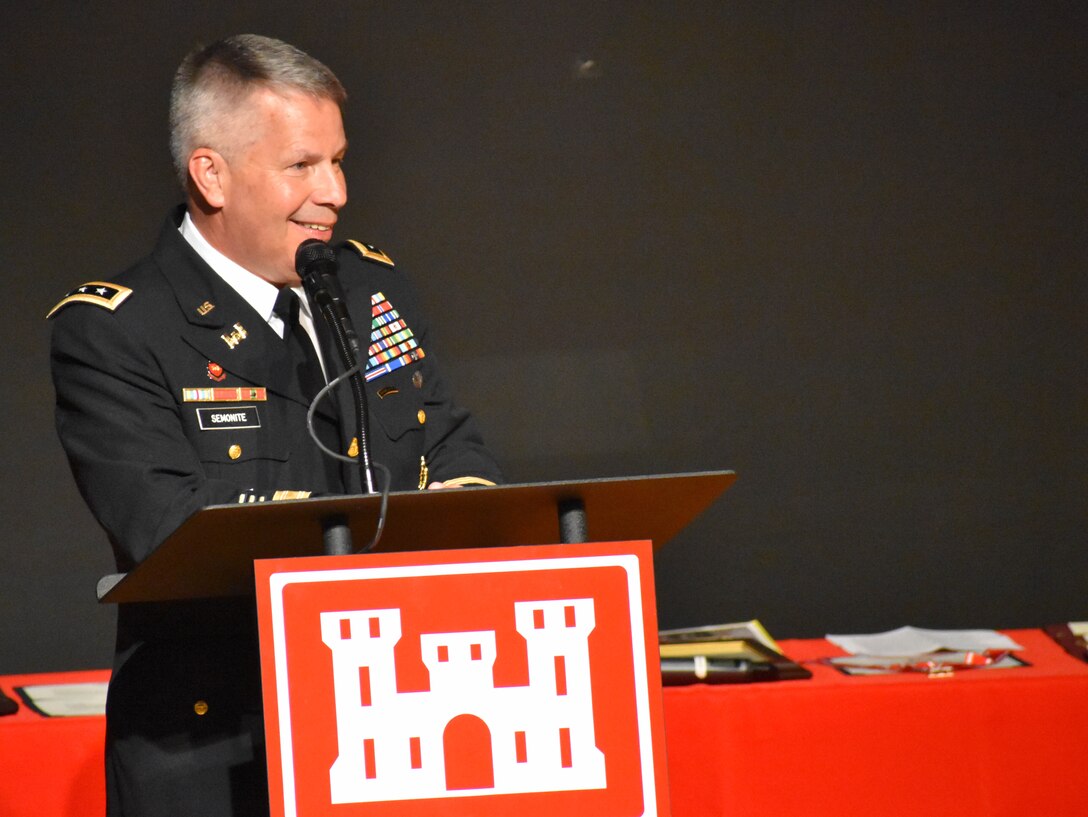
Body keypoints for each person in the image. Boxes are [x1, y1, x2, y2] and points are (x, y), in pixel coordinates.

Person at [48, 34, 502, 817]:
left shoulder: (366, 288)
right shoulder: (118, 330)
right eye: (301, 165)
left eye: (338, 159)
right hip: (217, 745)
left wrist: (469, 511)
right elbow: (168, 529)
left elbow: (447, 439)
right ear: (211, 174)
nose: (334, 191)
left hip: (392, 724)